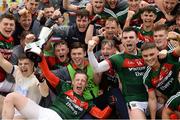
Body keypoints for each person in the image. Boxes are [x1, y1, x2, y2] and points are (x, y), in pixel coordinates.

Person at [2, 55, 116, 119]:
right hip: (44, 112)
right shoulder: (65, 87)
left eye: (83, 81)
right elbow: (48, 74)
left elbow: (100, 115)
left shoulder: (87, 104)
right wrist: (41, 58)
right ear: (73, 82)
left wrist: (110, 106)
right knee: (11, 97)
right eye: (77, 80)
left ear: (85, 84)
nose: (80, 82)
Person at [88, 27, 148, 119]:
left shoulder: (146, 54)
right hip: (134, 101)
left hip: (152, 97)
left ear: (137, 40)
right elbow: (97, 68)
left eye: (131, 37)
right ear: (122, 41)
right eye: (125, 38)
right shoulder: (117, 58)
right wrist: (90, 51)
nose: (128, 40)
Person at [0, 53, 49, 119]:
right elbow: (1, 61)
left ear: (32, 64)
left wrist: (41, 81)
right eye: (20, 64)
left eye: (26, 64)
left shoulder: (37, 79)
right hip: (13, 106)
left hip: (27, 113)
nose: (22, 66)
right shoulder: (17, 71)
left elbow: (45, 93)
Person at [141, 42, 180, 119]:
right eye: (145, 56)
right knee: (172, 116)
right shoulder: (147, 77)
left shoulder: (168, 56)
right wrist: (153, 118)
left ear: (158, 53)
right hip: (174, 102)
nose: (149, 58)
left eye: (152, 54)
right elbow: (152, 99)